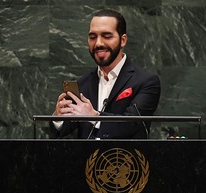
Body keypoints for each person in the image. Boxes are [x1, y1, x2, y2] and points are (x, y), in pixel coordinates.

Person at [49, 9, 160, 139]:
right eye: (92, 37)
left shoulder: (146, 81)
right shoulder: (81, 84)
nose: (98, 43)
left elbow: (132, 124)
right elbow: (61, 132)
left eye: (107, 36)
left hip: (126, 158)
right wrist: (58, 117)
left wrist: (93, 117)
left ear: (123, 40)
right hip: (86, 159)